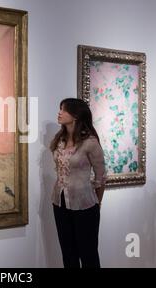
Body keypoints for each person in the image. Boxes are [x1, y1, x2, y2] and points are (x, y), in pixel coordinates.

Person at [50, 98, 107, 268]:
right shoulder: (59, 140)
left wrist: (98, 202)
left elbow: (101, 177)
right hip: (59, 203)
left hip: (84, 205)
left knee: (88, 254)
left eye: (64, 110)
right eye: (60, 108)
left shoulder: (90, 143)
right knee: (68, 253)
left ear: (75, 116)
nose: (60, 112)